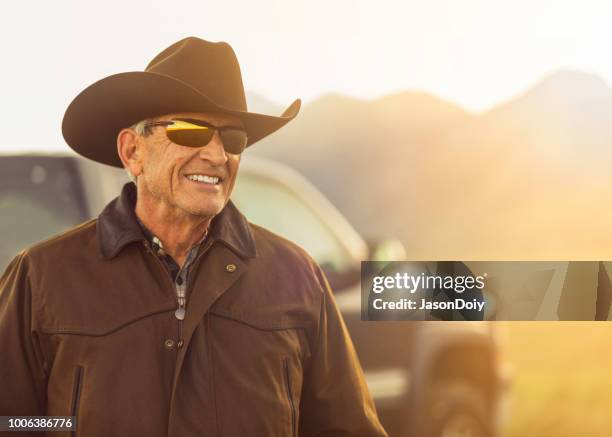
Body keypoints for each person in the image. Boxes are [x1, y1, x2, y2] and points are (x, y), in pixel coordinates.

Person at [0, 37, 387, 436]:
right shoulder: (41, 277)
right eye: (191, 131)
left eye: (233, 139)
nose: (218, 155)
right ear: (133, 151)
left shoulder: (298, 276)